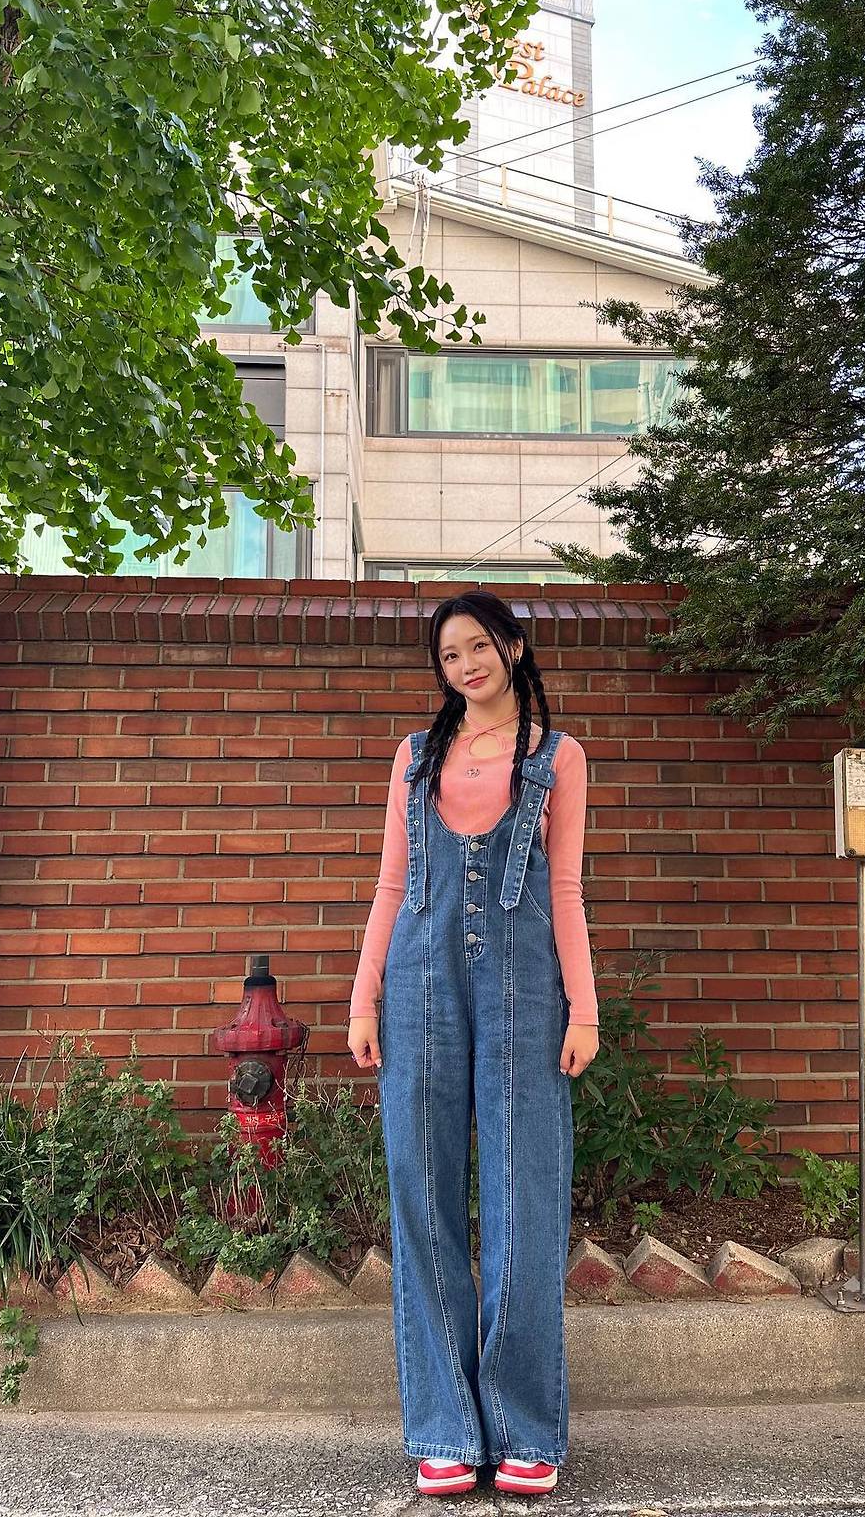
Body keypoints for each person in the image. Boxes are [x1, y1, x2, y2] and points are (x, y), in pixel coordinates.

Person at [348, 589, 600, 1498]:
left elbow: (565, 888)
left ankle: (525, 1426)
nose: (464, 666)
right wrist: (363, 997)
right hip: (418, 985)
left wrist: (585, 1009)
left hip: (526, 990)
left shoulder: (557, 757)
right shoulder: (416, 757)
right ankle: (444, 1427)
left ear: (514, 647)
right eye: (449, 655)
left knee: (524, 1194)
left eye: (478, 647)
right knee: (422, 1193)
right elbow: (390, 884)